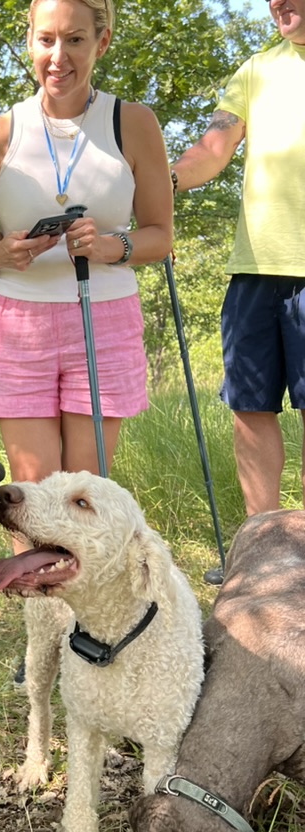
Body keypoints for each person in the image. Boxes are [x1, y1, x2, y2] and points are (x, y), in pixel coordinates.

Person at [0, 0, 172, 484]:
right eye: (46, 39)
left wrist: (109, 247)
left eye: (75, 39)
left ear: (102, 41)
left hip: (105, 317)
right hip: (19, 323)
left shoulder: (134, 123)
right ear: (29, 41)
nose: (58, 57)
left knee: (85, 491)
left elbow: (160, 236)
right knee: (33, 493)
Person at [170, 0, 305, 586]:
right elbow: (213, 148)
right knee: (250, 409)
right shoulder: (255, 70)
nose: (277, 2)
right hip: (254, 270)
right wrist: (159, 180)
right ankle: (260, 552)